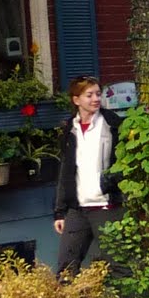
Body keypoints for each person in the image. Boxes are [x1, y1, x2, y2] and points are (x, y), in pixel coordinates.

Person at [53, 76, 124, 275]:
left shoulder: (113, 124)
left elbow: (125, 163)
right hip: (78, 208)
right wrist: (60, 211)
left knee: (120, 265)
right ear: (76, 100)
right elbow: (66, 170)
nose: (95, 99)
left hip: (107, 206)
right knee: (66, 268)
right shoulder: (69, 128)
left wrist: (112, 183)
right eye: (89, 95)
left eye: (98, 94)